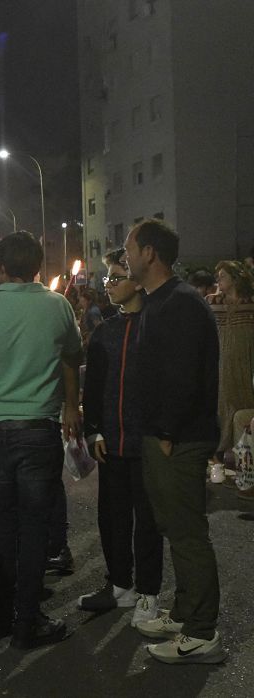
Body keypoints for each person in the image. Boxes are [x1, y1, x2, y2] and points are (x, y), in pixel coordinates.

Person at [0, 231, 82, 650]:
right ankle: (28, 619)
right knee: (36, 524)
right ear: (37, 267)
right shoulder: (57, 305)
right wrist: (71, 407)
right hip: (38, 429)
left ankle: (1, 613)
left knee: (3, 520)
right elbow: (71, 358)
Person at [123, 218, 223, 664]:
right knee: (176, 529)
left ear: (149, 253)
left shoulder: (179, 304)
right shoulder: (160, 301)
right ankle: (184, 614)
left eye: (129, 248)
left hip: (177, 440)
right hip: (165, 437)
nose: (124, 257)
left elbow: (182, 378)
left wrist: (165, 433)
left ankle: (201, 633)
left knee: (186, 533)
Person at [78, 248, 163, 627]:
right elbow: (92, 389)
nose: (108, 285)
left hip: (147, 443)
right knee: (112, 517)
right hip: (110, 441)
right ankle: (120, 587)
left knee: (147, 521)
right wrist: (92, 428)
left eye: (116, 277)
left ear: (137, 279)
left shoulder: (158, 326)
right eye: (107, 278)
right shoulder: (104, 332)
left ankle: (148, 594)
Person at [205, 261, 254, 470]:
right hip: (221, 363)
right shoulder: (212, 301)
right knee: (222, 405)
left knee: (243, 405)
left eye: (223, 275)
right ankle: (221, 451)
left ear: (235, 278)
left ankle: (243, 454)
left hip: (245, 363)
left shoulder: (250, 303)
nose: (218, 279)